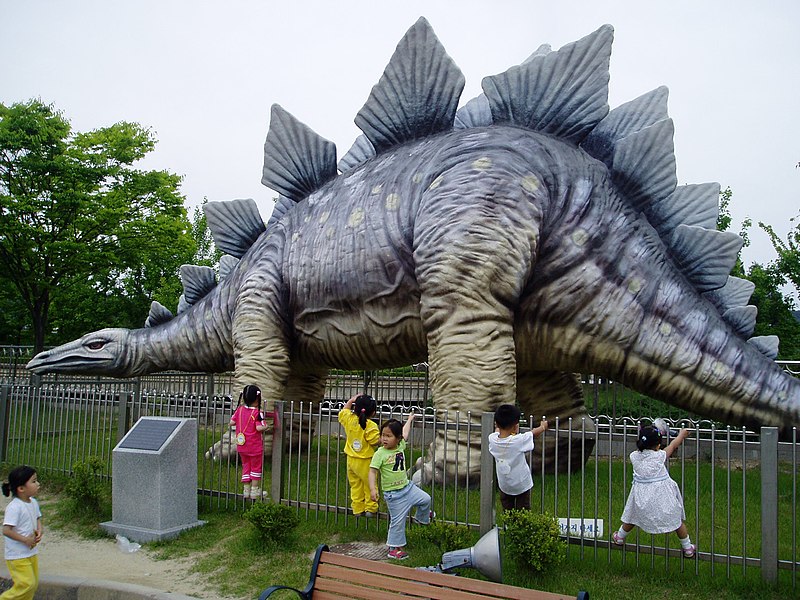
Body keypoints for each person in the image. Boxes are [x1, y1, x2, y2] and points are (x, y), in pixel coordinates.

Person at [612, 425, 696, 557]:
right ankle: (687, 547)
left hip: (641, 500)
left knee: (632, 517)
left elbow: (643, 450)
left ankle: (620, 537)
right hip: (663, 499)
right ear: (658, 446)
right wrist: (681, 435)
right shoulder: (660, 456)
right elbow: (673, 446)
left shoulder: (634, 456)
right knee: (677, 521)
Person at [369, 411, 432, 560]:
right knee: (398, 521)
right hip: (394, 494)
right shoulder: (380, 454)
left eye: (388, 436)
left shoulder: (400, 445)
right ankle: (394, 548)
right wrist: (373, 489)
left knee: (426, 499)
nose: (384, 439)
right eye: (383, 435)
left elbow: (405, 432)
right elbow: (372, 472)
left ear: (398, 439)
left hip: (407, 488)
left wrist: (409, 420)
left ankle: (421, 518)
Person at [488, 404, 548, 512]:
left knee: (507, 510)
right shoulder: (518, 440)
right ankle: (521, 528)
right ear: (516, 426)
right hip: (521, 484)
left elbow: (497, 431)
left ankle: (509, 526)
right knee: (523, 510)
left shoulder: (493, 440)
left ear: (496, 423)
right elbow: (532, 433)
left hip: (504, 485)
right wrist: (542, 427)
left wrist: (499, 427)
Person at [1, 465, 43, 600]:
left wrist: (39, 531)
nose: (38, 484)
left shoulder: (33, 503)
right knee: (26, 584)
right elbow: (6, 530)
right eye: (33, 481)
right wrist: (25, 540)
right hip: (17, 555)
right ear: (21, 488)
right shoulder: (14, 507)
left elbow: (37, 518)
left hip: (31, 552)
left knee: (33, 584)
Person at [338, 393, 380, 517]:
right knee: (369, 485)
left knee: (355, 485)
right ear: (373, 413)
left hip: (351, 460)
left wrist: (351, 399)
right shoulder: (370, 426)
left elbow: (343, 411)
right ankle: (371, 508)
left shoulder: (349, 419)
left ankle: (357, 508)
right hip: (365, 461)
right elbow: (374, 441)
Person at [230, 384, 268, 500]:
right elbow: (259, 428)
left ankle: (246, 490)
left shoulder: (240, 410)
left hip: (242, 446)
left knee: (246, 465)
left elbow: (231, 422)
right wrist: (266, 426)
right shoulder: (257, 413)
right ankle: (254, 491)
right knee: (256, 467)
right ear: (257, 398)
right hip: (254, 446)